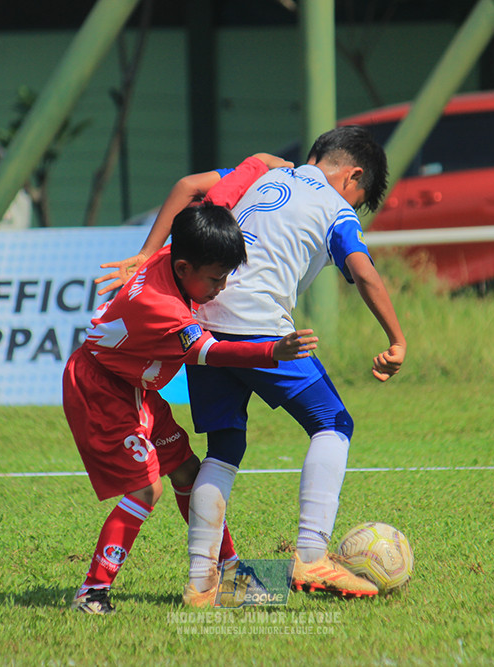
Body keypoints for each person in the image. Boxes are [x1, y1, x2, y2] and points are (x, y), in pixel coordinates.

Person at [98, 126, 406, 607]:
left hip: (201, 322)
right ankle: (311, 555)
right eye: (359, 197)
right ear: (353, 176)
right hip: (260, 326)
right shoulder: (336, 208)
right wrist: (396, 339)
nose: (354, 204)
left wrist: (145, 254)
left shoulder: (260, 175)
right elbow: (364, 272)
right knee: (333, 423)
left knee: (224, 447)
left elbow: (187, 186)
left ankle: (202, 583)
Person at [64, 167, 316, 615]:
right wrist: (272, 350)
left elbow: (212, 190)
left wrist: (268, 164)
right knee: (147, 491)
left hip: (133, 387)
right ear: (184, 269)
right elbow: (211, 353)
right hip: (101, 391)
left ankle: (232, 574)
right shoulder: (163, 308)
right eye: (217, 279)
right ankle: (92, 593)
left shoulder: (179, 248)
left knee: (186, 471)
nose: (222, 288)